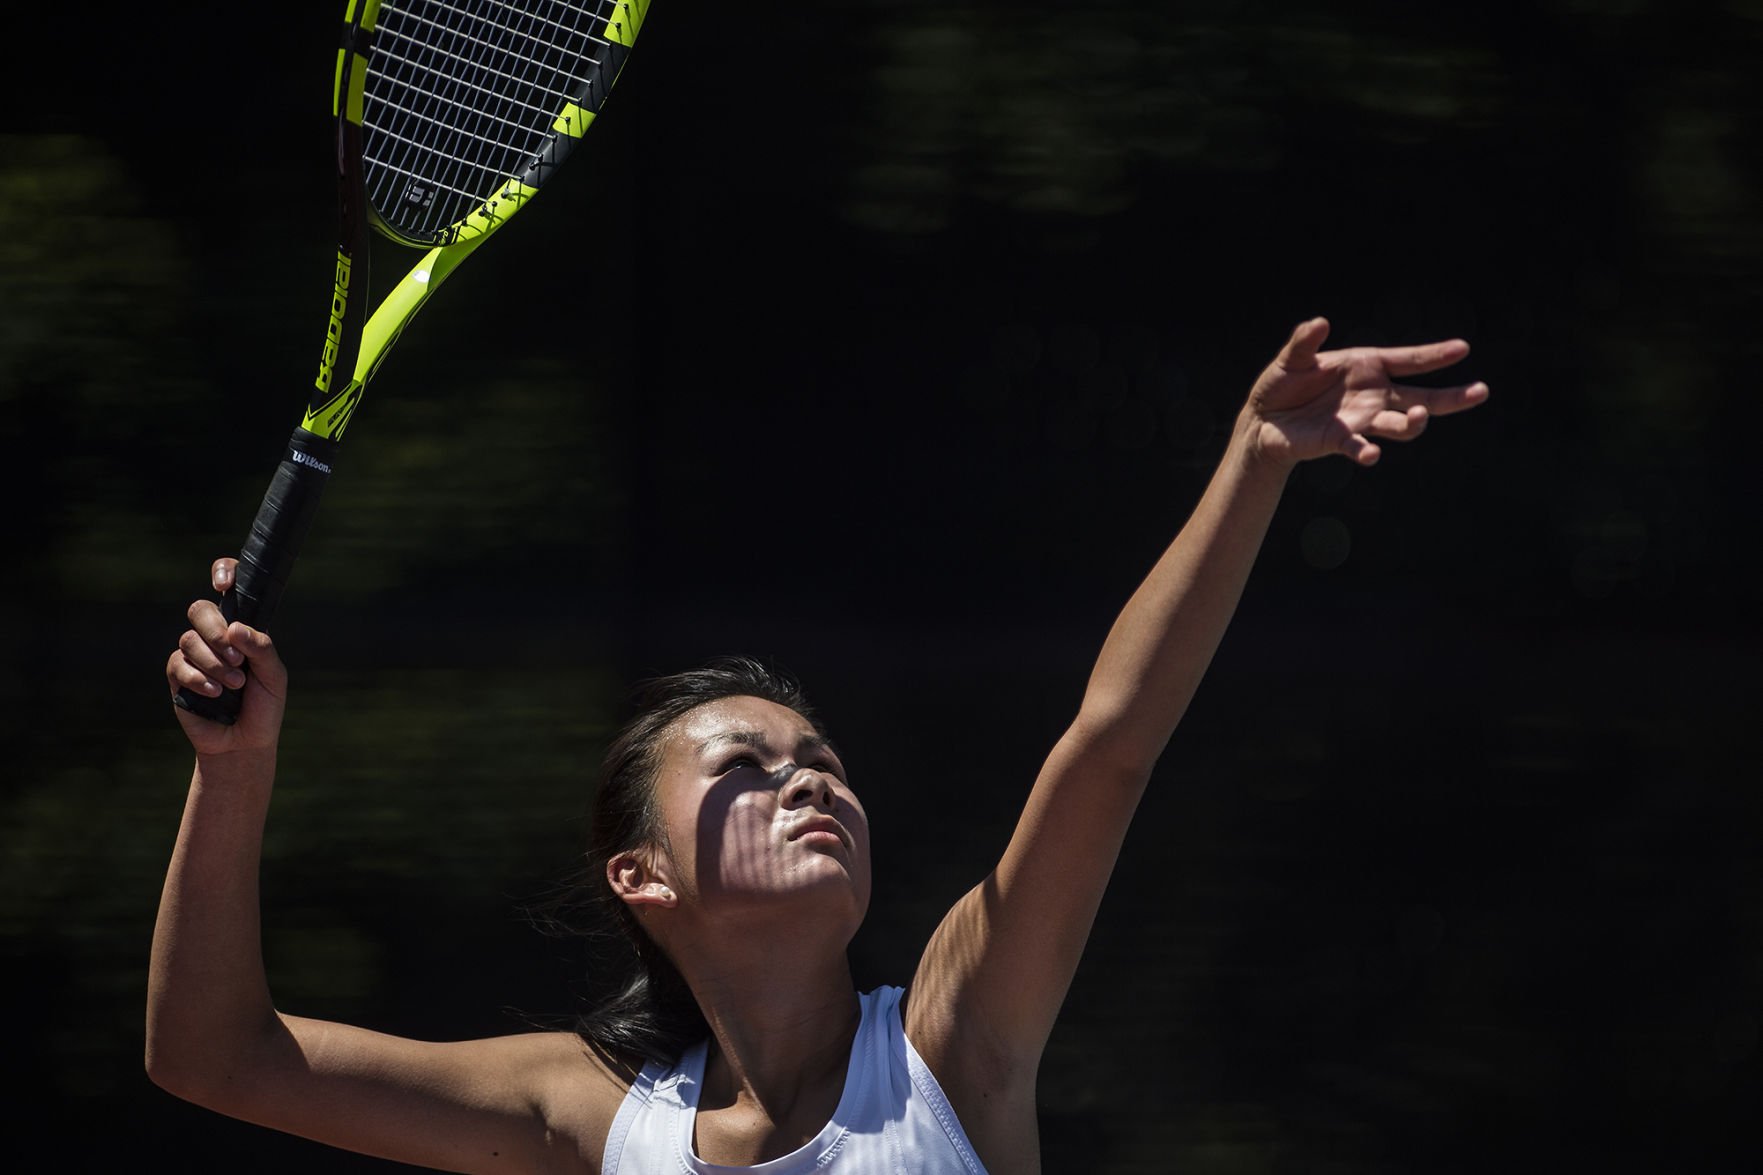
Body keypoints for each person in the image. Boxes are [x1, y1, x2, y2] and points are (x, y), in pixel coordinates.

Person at [150, 317, 1488, 1173]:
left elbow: (1112, 738)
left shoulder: (952, 1044)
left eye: (822, 764)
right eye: (745, 769)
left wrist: (1254, 459)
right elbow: (218, 1059)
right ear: (641, 876)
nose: (811, 785)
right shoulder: (600, 1121)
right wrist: (233, 773)